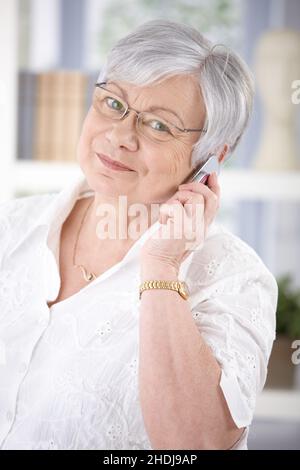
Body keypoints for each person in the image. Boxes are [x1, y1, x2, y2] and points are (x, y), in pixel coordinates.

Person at [0, 19, 278, 450]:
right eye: (113, 104)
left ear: (211, 157)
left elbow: (195, 446)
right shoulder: (12, 225)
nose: (119, 136)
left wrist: (162, 266)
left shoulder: (234, 278)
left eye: (159, 126)